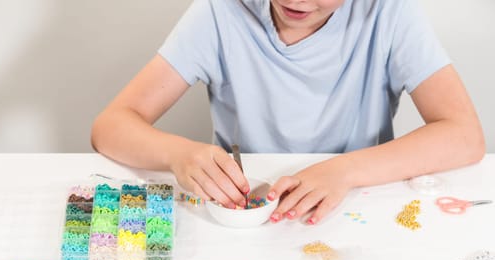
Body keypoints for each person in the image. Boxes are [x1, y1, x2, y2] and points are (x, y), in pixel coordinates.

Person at [91, 0, 485, 225]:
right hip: (244, 217)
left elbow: (464, 137)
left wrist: (344, 170)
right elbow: (111, 125)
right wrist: (176, 154)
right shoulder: (219, 12)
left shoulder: (388, 13)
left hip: (354, 208)